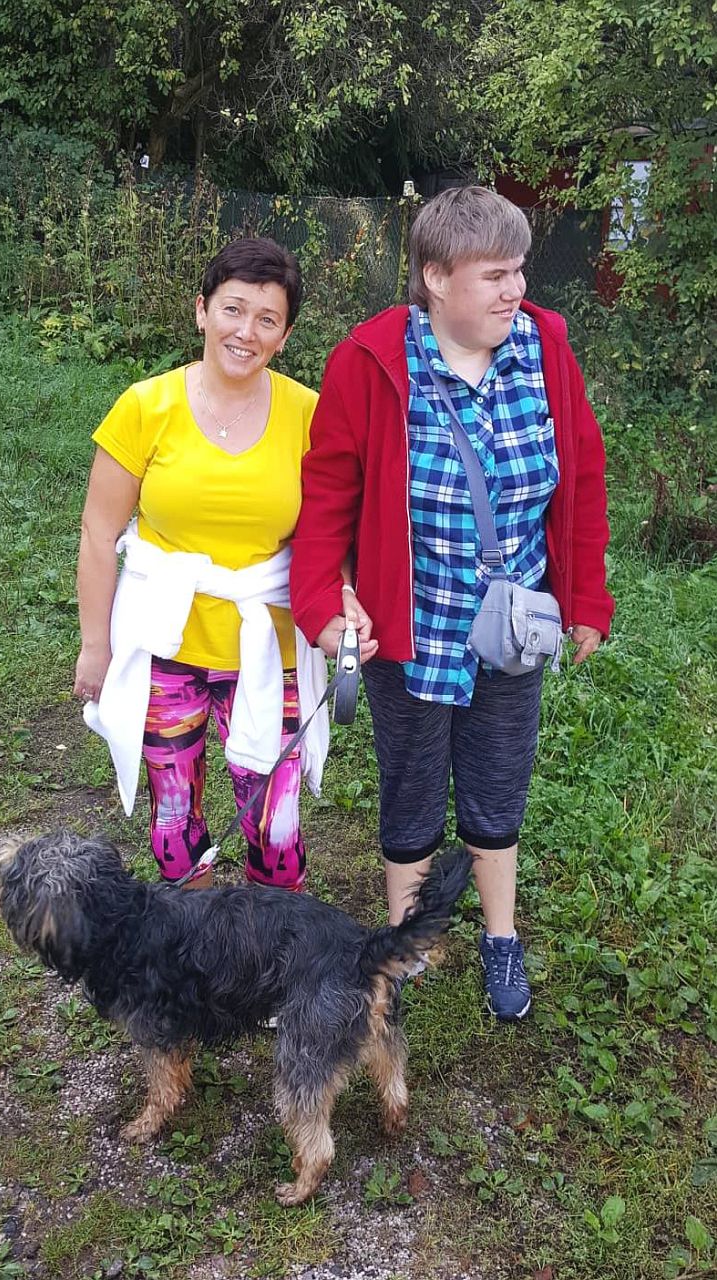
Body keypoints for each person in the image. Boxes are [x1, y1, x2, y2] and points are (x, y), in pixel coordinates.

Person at [291, 186, 614, 1020]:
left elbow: (580, 478)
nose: (516, 290)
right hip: (411, 626)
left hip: (512, 625)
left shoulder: (545, 349)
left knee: (497, 783)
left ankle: (499, 935)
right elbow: (327, 494)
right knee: (408, 785)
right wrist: (323, 602)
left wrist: (584, 596)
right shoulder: (369, 360)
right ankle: (407, 939)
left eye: (519, 270)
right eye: (495, 275)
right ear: (435, 277)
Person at [75, 237, 325, 892]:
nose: (245, 332)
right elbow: (99, 533)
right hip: (165, 643)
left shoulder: (308, 414)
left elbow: (332, 534)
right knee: (173, 816)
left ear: (284, 336)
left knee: (275, 823)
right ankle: (196, 933)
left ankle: (270, 938)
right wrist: (95, 647)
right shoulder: (145, 406)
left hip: (269, 645)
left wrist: (344, 602)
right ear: (201, 311)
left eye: (266, 319)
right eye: (232, 309)